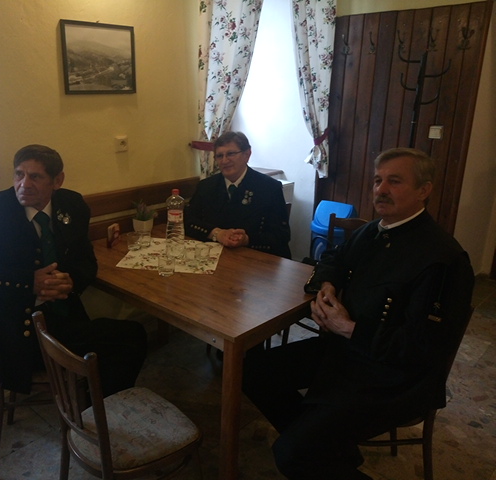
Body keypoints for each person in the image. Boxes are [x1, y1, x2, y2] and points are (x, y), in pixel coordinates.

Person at [242, 147, 474, 479]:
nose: (381, 189)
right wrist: (327, 285)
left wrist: (350, 328)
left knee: (291, 455)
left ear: (424, 190)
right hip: (347, 352)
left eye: (395, 181)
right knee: (253, 371)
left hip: (394, 378)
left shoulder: (443, 258)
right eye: (378, 180)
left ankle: (314, 448)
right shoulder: (373, 231)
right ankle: (331, 450)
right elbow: (332, 259)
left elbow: (423, 349)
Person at [0, 144, 147, 397]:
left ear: (57, 181)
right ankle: (96, 409)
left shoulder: (72, 204)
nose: (24, 184)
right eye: (19, 174)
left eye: (35, 177)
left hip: (66, 319)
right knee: (122, 344)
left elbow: (86, 261)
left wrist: (71, 282)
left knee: (131, 336)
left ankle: (100, 408)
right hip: (21, 332)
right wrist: (27, 282)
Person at [185, 131, 291, 258]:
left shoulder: (270, 188)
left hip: (255, 260)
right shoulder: (206, 186)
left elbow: (281, 236)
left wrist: (247, 240)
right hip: (215, 258)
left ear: (247, 154)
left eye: (230, 154)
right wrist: (217, 234)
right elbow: (188, 221)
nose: (224, 160)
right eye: (219, 156)